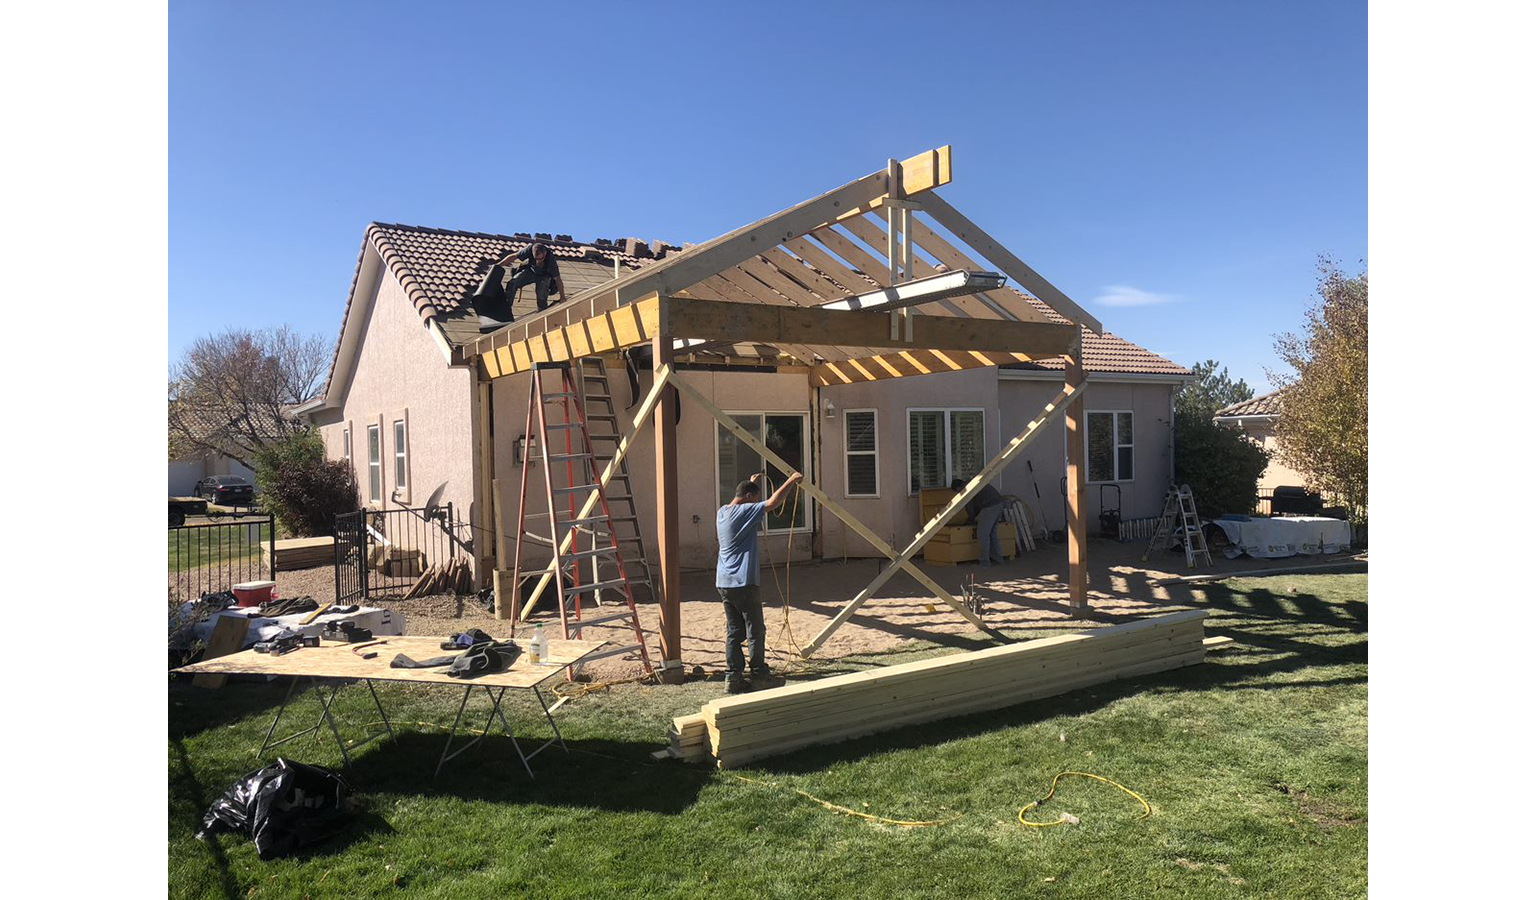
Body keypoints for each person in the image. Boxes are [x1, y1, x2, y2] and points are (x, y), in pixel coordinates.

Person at [717, 470, 803, 694]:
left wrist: (751, 483)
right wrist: (792, 481)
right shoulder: (746, 510)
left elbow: (743, 495)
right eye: (754, 498)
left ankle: (732, 678)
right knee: (755, 629)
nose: (755, 503)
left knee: (734, 630)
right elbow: (774, 502)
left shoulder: (722, 512)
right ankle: (759, 675)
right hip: (744, 581)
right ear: (747, 498)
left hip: (724, 582)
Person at [952, 477, 1009, 567]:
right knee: (992, 533)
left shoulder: (966, 489)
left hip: (989, 507)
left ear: (958, 488)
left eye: (958, 492)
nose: (959, 494)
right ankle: (998, 558)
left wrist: (970, 518)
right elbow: (978, 504)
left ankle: (984, 561)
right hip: (999, 504)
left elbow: (970, 507)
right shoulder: (974, 483)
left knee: (982, 534)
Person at [496, 242, 567, 313]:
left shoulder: (550, 259)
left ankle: (542, 311)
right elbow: (514, 256)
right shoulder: (529, 249)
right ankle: (505, 310)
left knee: (541, 293)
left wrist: (562, 297)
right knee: (512, 283)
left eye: (540, 259)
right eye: (536, 259)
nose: (538, 261)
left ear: (544, 253)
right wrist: (498, 265)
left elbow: (557, 279)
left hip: (544, 276)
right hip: (530, 271)